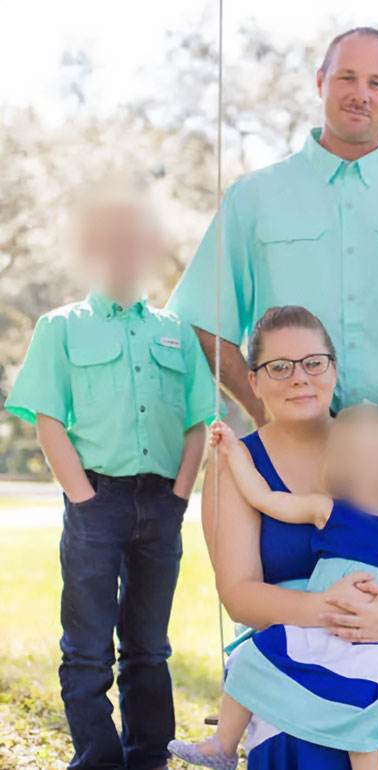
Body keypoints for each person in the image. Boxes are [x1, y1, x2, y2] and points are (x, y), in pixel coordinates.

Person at [167, 26, 378, 515]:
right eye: (347, 77)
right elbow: (202, 318)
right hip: (290, 429)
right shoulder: (254, 198)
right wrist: (262, 408)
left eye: (377, 83)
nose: (360, 94)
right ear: (320, 81)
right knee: (291, 564)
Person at [5, 185, 219, 770]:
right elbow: (48, 419)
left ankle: (148, 757)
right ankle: (98, 760)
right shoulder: (60, 327)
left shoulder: (176, 332)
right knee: (87, 648)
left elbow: (199, 420)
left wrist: (179, 496)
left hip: (162, 504)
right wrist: (83, 497)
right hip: (97, 499)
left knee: (149, 646)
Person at [197, 305, 378, 770]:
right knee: (302, 726)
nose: (300, 378)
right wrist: (334, 611)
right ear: (254, 382)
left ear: (334, 370)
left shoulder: (377, 446)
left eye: (313, 362)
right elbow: (239, 596)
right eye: (280, 367)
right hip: (293, 635)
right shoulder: (238, 466)